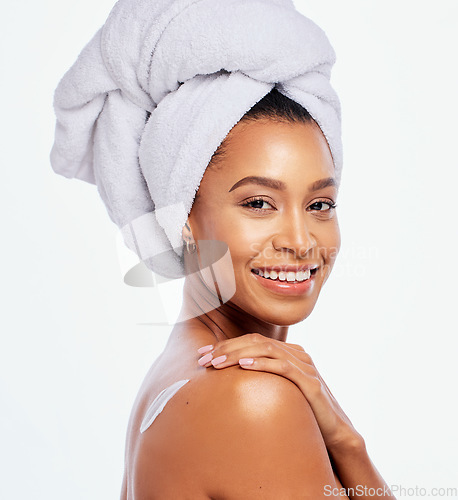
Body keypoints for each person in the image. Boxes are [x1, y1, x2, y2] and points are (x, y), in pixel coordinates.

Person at [50, 0, 395, 497]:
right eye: (259, 202)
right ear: (182, 220)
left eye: (320, 204)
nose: (300, 242)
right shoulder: (252, 396)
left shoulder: (182, 370)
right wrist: (349, 445)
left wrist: (346, 442)